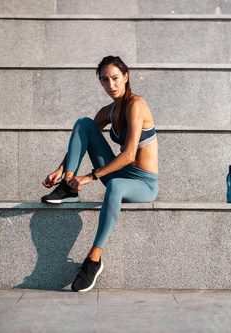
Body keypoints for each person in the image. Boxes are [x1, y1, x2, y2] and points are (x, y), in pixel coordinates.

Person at [41, 56, 158, 292]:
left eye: (115, 78)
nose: (111, 85)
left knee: (114, 187)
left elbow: (130, 155)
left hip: (143, 184)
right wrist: (62, 169)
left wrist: (91, 176)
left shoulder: (137, 105)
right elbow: (83, 137)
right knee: (84, 123)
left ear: (126, 77)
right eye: (105, 80)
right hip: (121, 174)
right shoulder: (108, 111)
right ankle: (69, 187)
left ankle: (94, 258)